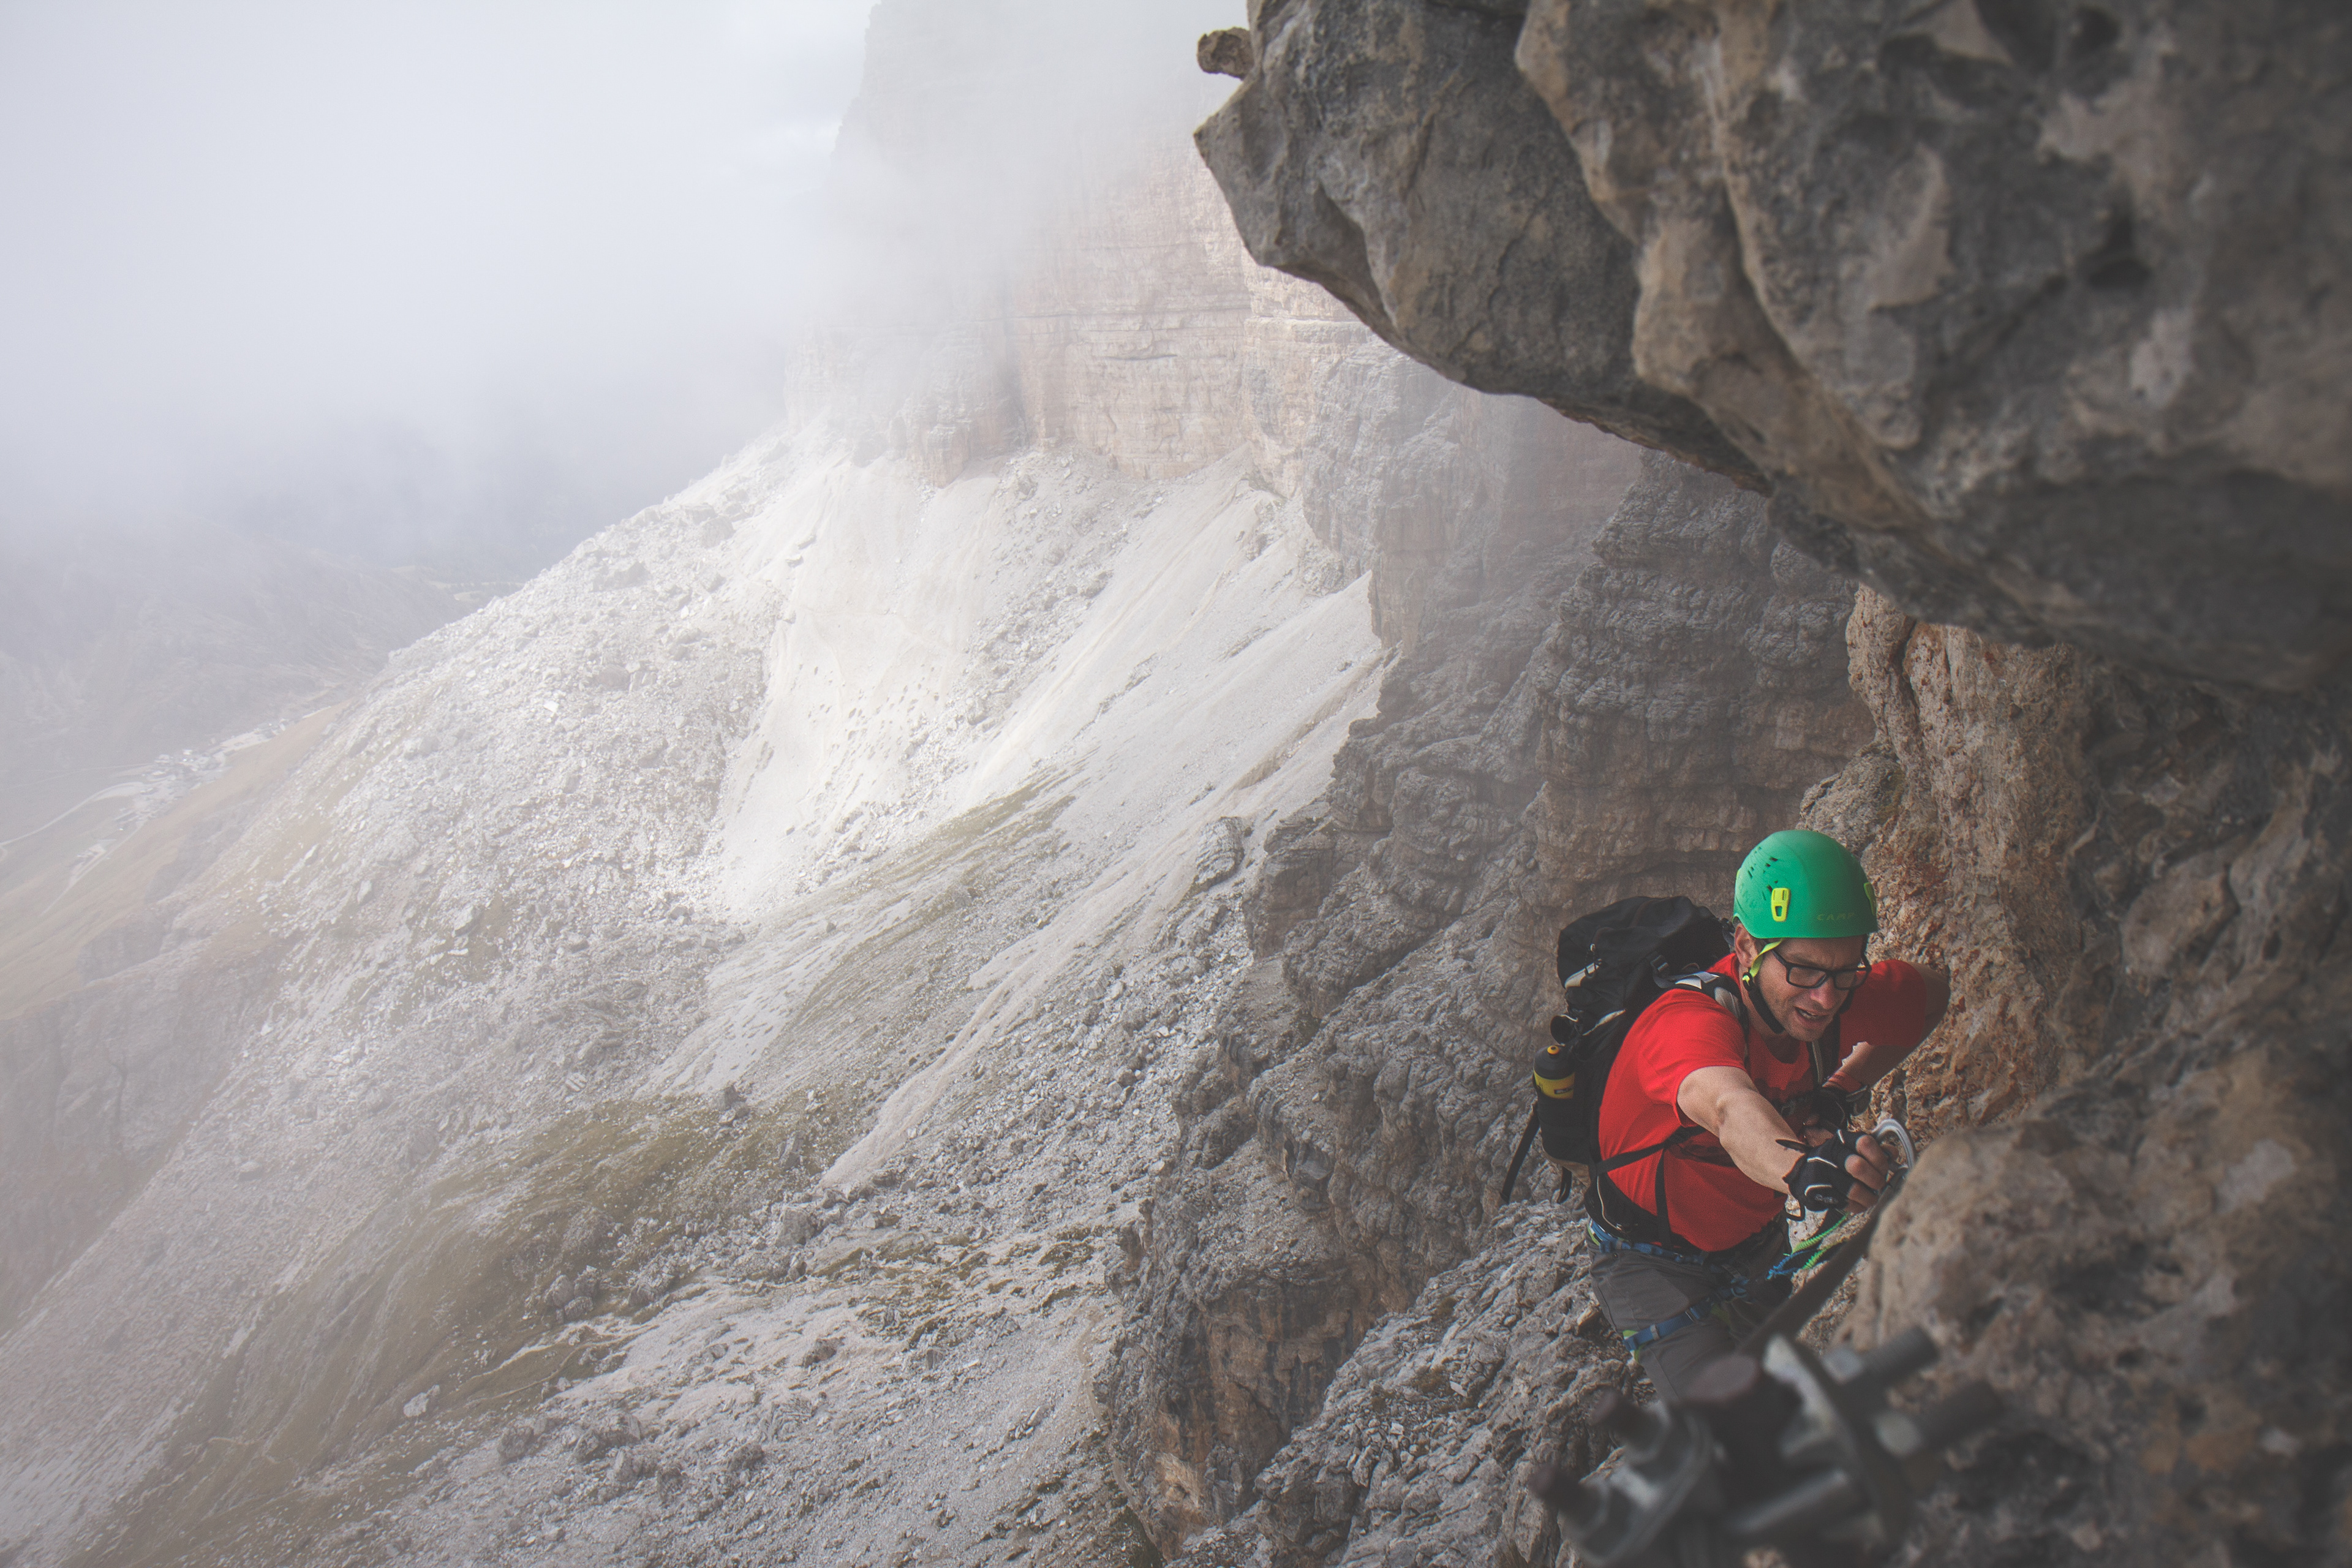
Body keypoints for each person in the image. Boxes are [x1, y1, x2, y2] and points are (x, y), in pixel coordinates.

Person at [1585, 829, 1951, 1398]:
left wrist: (1839, 1090)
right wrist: (1805, 1169)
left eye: (1846, 970)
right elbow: (1732, 1109)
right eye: (1802, 970)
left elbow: (1932, 997)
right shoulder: (1684, 1024)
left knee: (1775, 1398)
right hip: (1650, 1264)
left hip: (1759, 1244)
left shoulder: (1832, 991)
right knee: (1740, 1429)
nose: (1825, 999)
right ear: (1748, 948)